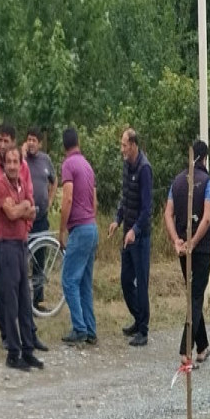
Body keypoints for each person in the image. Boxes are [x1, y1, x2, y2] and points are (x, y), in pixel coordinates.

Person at [0, 123, 47, 352]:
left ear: (14, 143)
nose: (2, 144)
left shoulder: (22, 166)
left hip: (19, 237)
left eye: (7, 140)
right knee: (4, 289)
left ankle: (30, 335)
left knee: (23, 290)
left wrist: (26, 223)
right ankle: (7, 334)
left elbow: (30, 198)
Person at [165, 139, 210, 367]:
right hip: (200, 249)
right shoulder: (208, 183)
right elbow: (207, 218)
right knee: (195, 298)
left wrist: (177, 240)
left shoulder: (176, 182)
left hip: (183, 249)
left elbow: (168, 214)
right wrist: (194, 242)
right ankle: (186, 352)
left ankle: (202, 347)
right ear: (204, 158)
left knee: (193, 294)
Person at [0, 147, 43, 370]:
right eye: (9, 162)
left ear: (20, 163)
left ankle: (28, 349)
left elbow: (33, 210)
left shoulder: (21, 182)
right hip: (7, 247)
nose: (12, 165)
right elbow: (11, 213)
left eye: (16, 161)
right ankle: (13, 352)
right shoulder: (0, 185)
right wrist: (23, 208)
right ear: (4, 164)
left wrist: (21, 208)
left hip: (22, 245)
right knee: (11, 302)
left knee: (24, 300)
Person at [109, 128, 153, 347]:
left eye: (125, 145)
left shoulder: (145, 169)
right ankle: (137, 318)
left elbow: (147, 209)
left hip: (140, 237)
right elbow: (125, 197)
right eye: (122, 144)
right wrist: (118, 220)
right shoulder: (127, 165)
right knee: (126, 281)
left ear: (134, 145)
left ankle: (143, 330)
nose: (122, 149)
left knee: (141, 283)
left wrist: (135, 230)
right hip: (127, 235)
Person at [58, 127, 99, 345]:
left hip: (80, 228)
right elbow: (94, 201)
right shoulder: (87, 165)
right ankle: (91, 329)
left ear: (64, 145)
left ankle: (79, 328)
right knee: (84, 282)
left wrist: (62, 229)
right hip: (92, 226)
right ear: (78, 142)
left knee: (68, 280)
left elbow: (67, 199)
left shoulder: (68, 165)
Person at [23, 126, 56, 312]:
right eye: (29, 139)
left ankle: (38, 299)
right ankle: (24, 299)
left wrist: (50, 200)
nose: (31, 143)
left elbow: (55, 180)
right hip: (25, 218)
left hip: (42, 217)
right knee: (24, 257)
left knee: (39, 258)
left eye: (34, 140)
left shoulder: (45, 160)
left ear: (40, 143)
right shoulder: (22, 160)